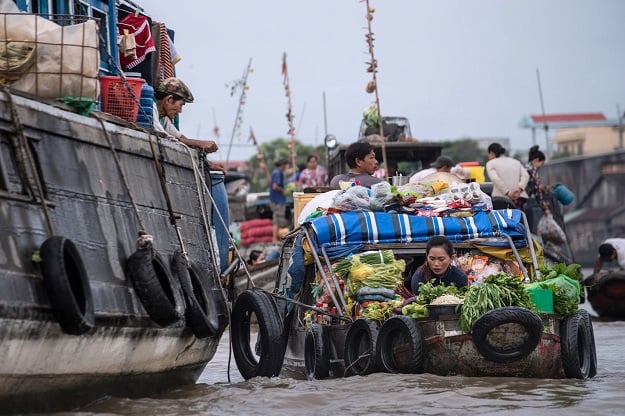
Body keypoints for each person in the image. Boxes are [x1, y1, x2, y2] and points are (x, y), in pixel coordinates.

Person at [152, 77, 225, 173]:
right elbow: (166, 138)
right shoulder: (151, 108)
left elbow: (179, 137)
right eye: (181, 105)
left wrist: (207, 163)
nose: (180, 111)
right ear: (169, 100)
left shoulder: (163, 118)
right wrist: (200, 143)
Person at [486, 142, 529, 208]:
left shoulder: (490, 163)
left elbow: (495, 179)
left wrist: (508, 193)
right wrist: (519, 189)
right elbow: (526, 176)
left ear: (491, 153)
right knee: (518, 217)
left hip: (500, 200)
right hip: (518, 198)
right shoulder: (516, 162)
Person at [270, 158, 289, 242]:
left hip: (275, 200)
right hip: (278, 201)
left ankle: (275, 239)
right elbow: (275, 186)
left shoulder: (275, 172)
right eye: (285, 165)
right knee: (279, 220)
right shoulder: (278, 173)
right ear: (282, 165)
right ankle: (276, 239)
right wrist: (284, 191)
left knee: (276, 220)